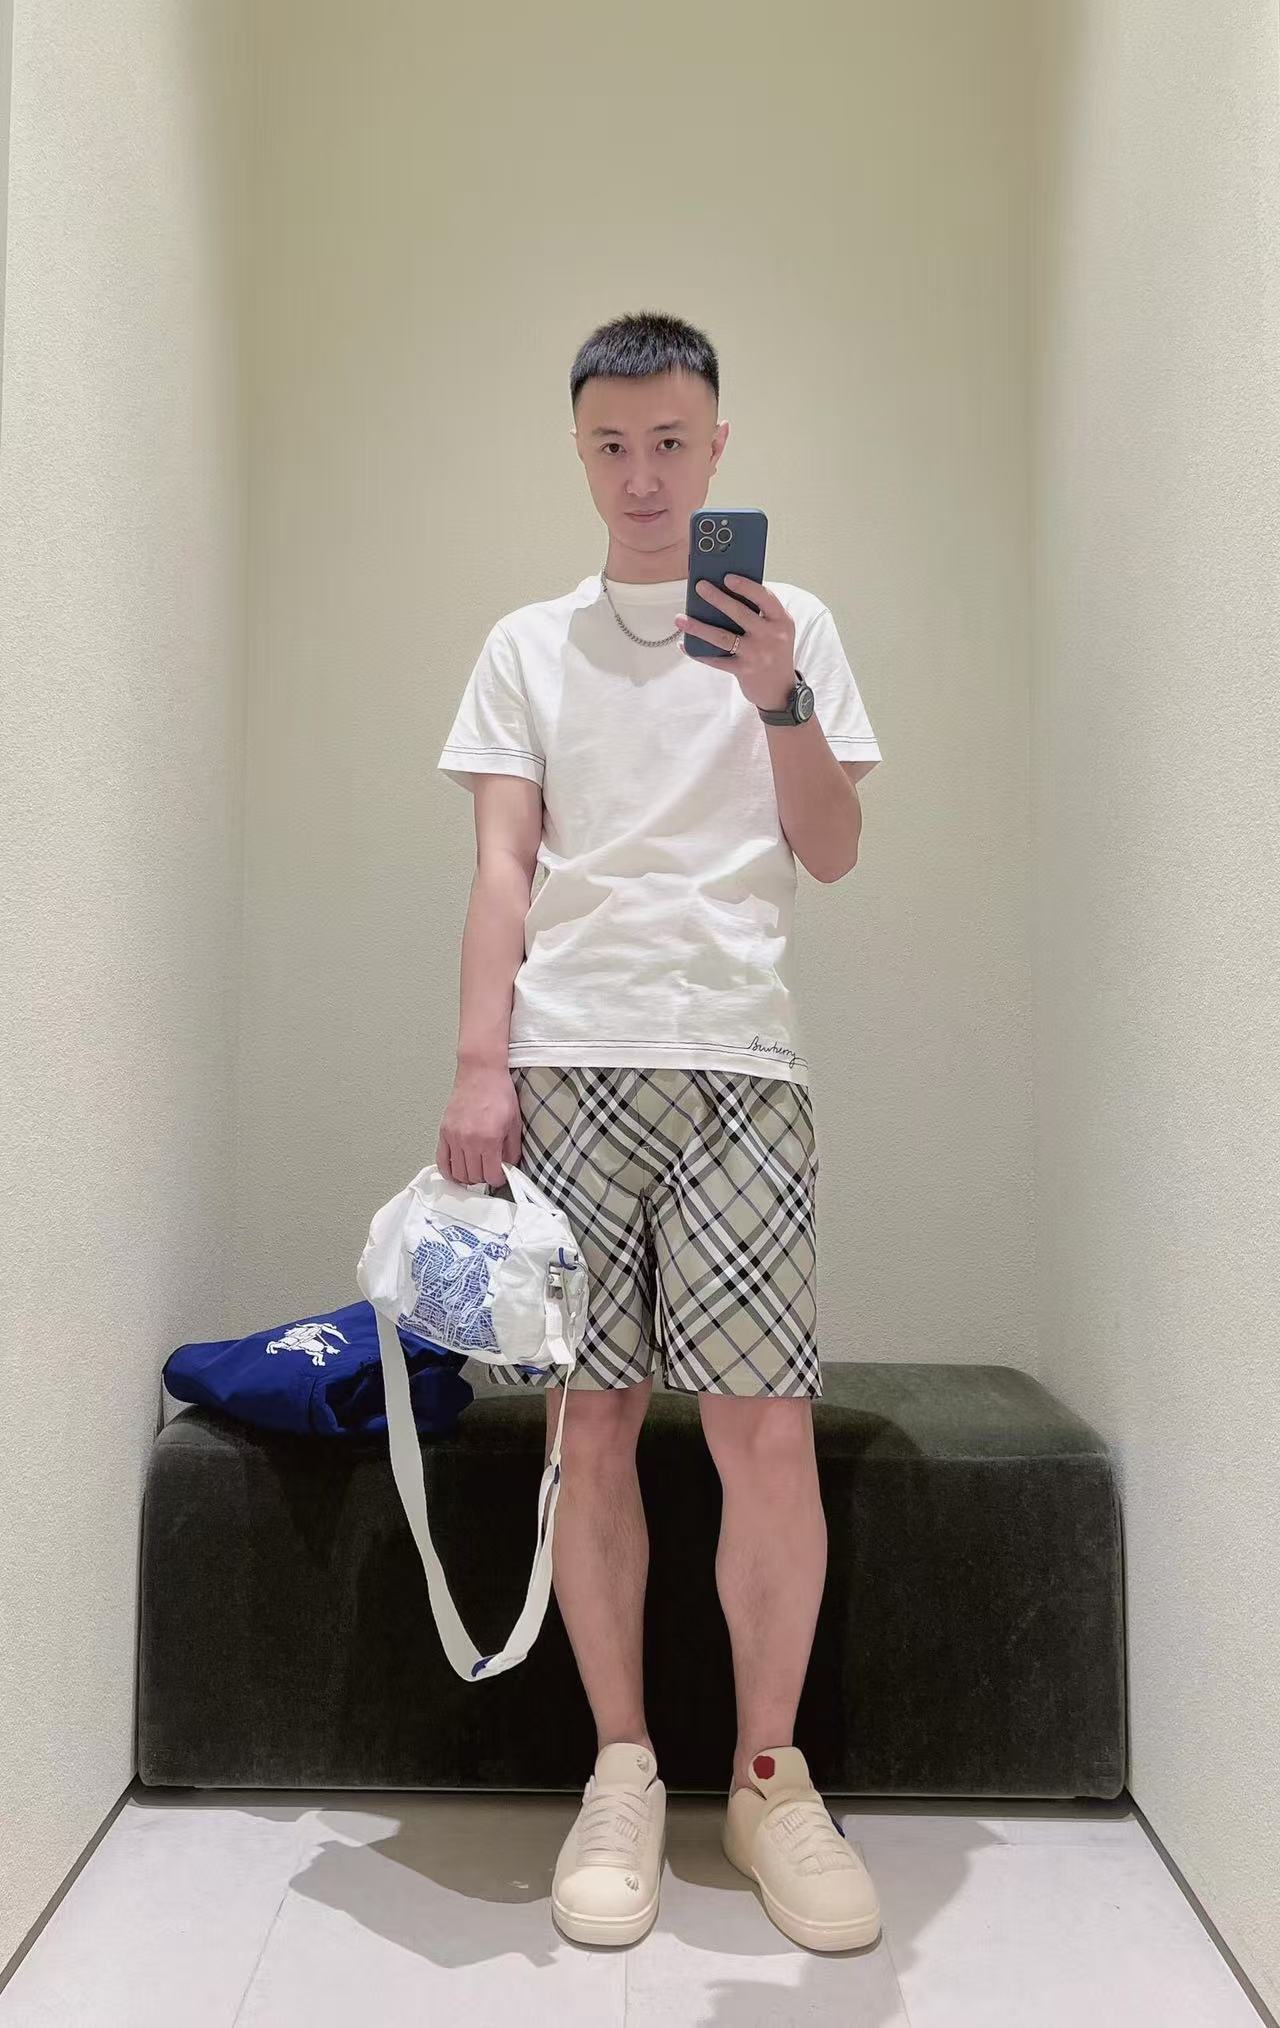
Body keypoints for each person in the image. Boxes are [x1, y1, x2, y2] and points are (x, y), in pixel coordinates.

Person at [435, 311, 884, 1956]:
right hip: (569, 1066)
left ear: (718, 450)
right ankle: (621, 1767)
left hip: (741, 1069)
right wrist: (480, 1066)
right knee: (594, 1429)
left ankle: (769, 1779)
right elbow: (503, 865)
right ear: (580, 451)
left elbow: (832, 848)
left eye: (672, 443)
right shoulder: (527, 646)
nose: (643, 475)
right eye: (613, 445)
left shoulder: (793, 627)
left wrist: (778, 699)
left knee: (765, 1434)